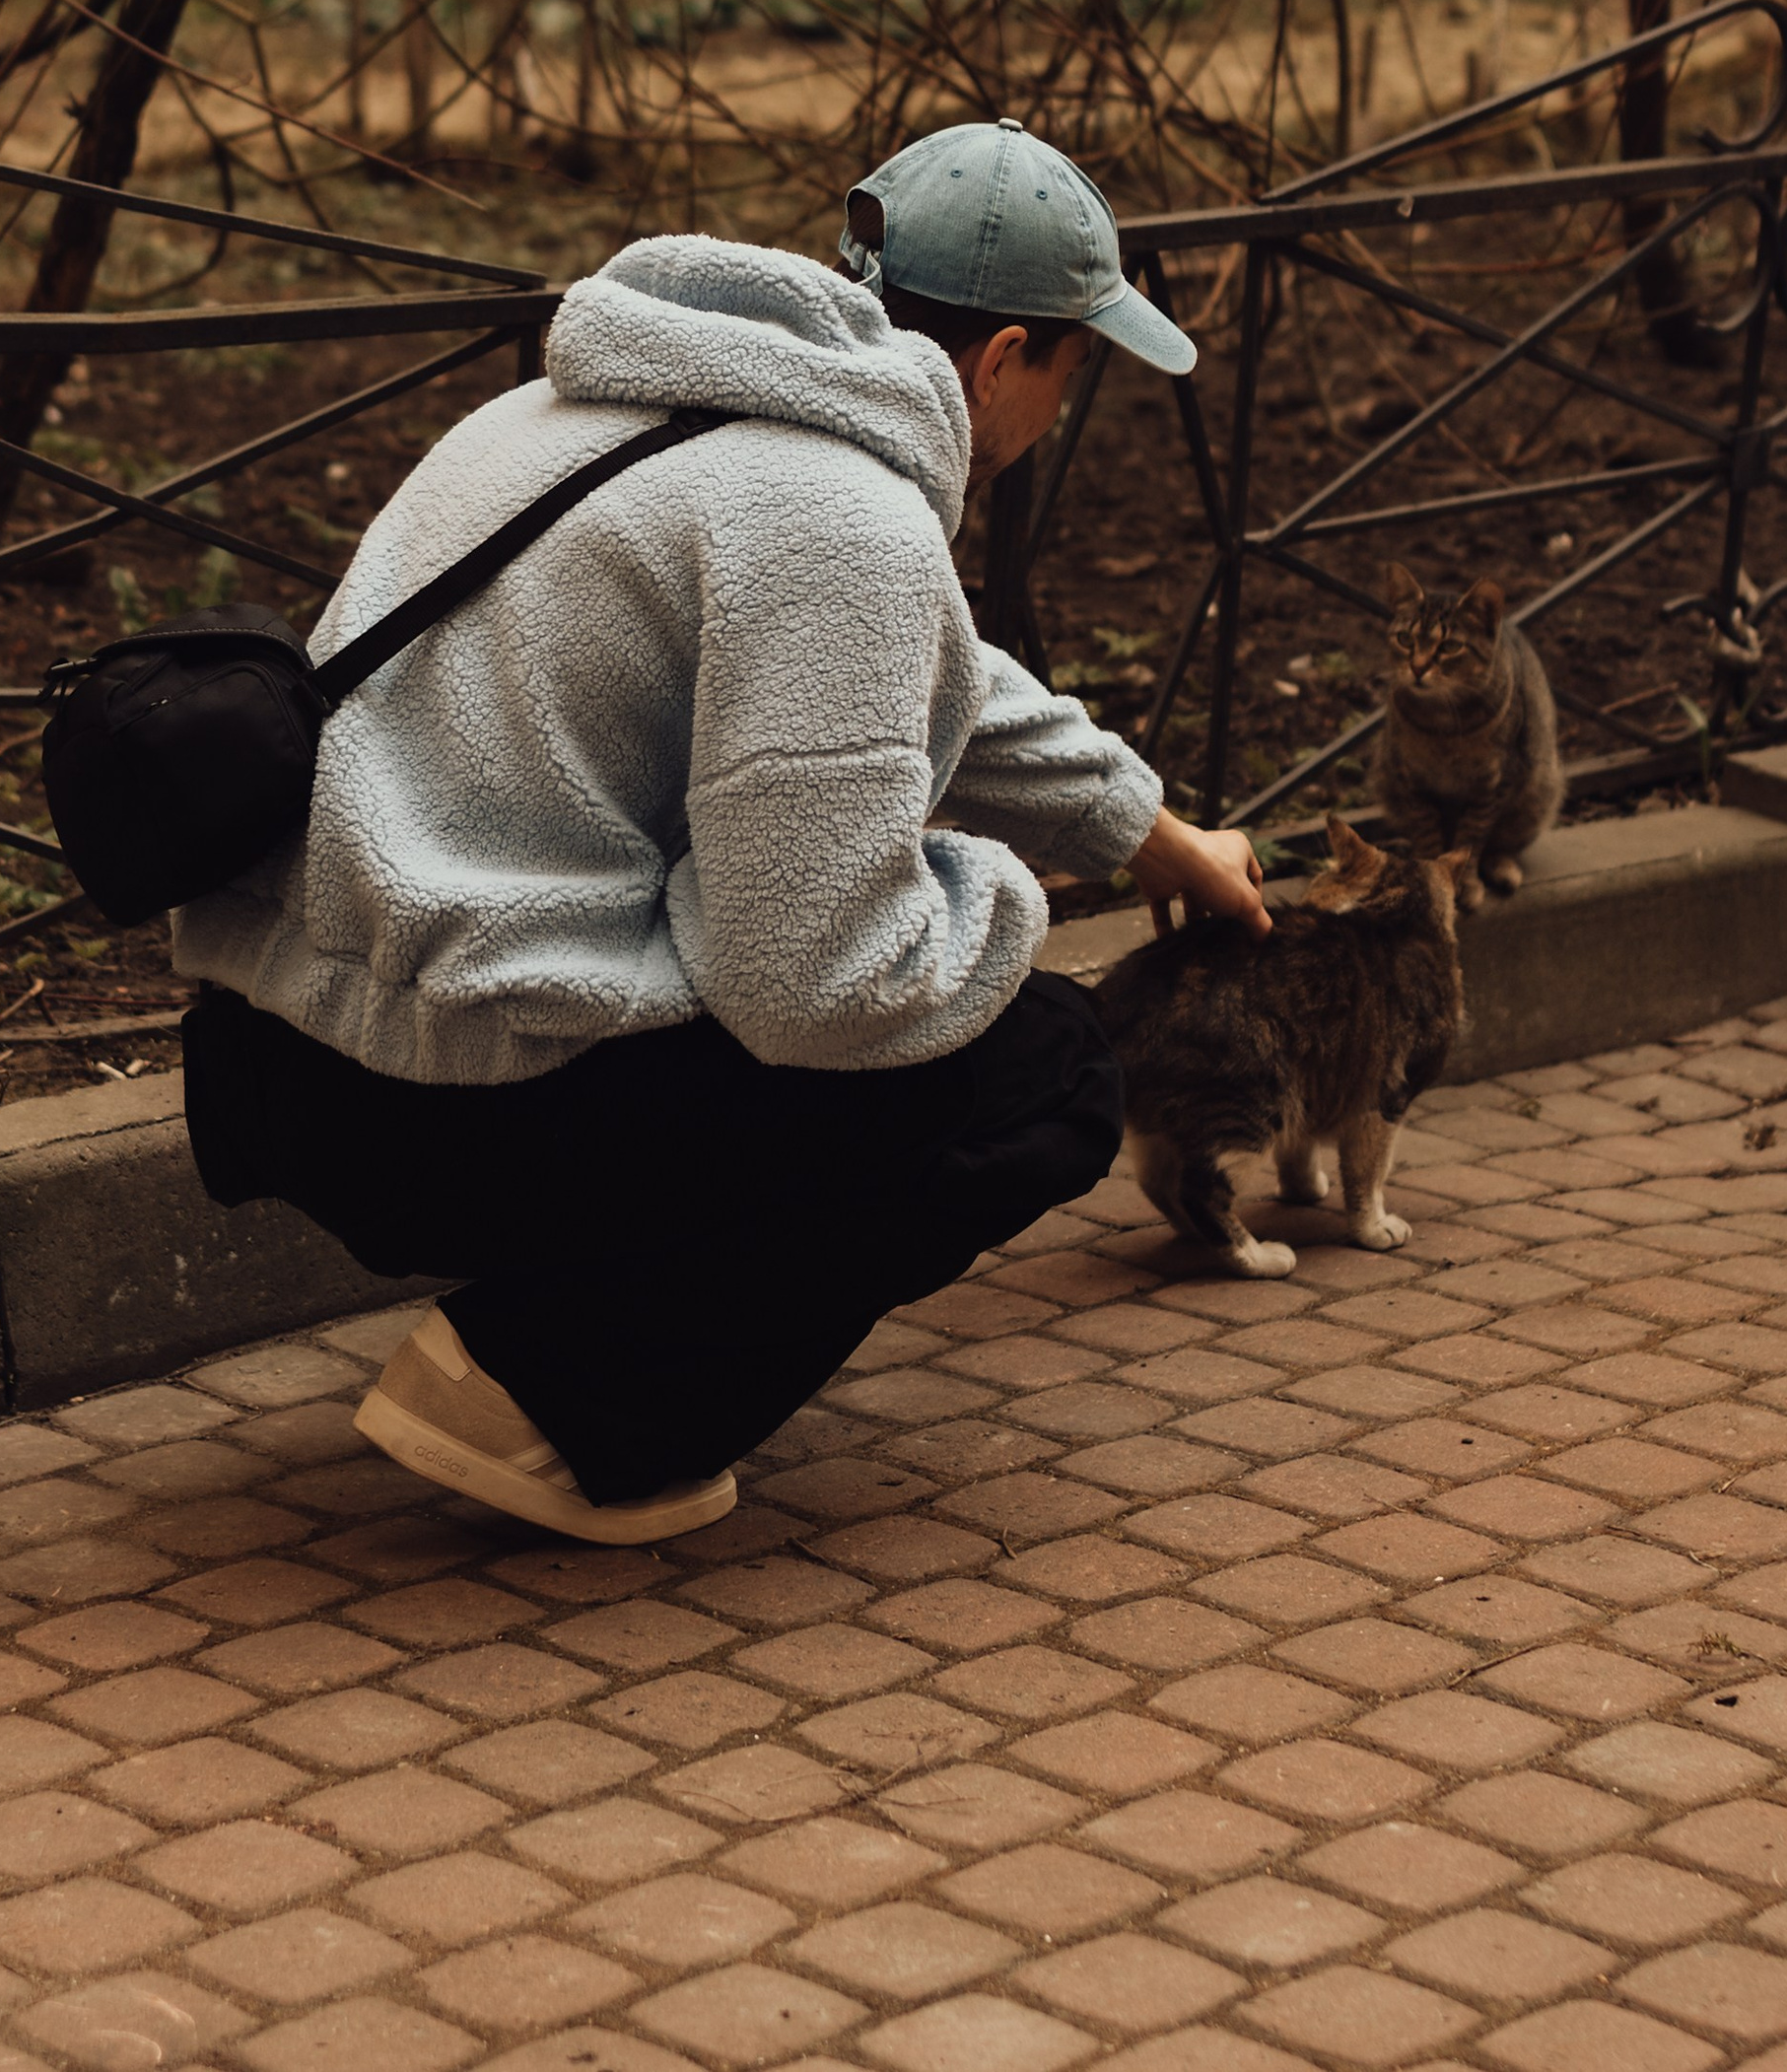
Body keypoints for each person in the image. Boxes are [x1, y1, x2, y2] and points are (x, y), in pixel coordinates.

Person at [176, 115, 1270, 1544]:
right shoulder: (841, 519)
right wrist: (1004, 896)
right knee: (1045, 1071)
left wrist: (1148, 830)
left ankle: (558, 1335)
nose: (1065, 409)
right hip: (430, 1099)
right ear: (1007, 361)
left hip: (274, 1041)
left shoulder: (589, 412)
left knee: (834, 1005)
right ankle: (550, 1400)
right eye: (1079, 367)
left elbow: (915, 671)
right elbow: (809, 983)